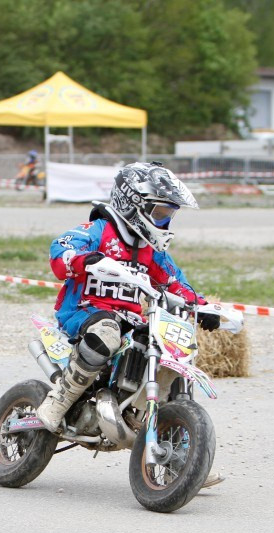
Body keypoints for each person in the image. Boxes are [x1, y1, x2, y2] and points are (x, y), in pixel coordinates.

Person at [35, 161, 219, 432]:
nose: (165, 222)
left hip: (129, 318)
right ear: (133, 205)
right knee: (107, 332)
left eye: (169, 215)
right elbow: (60, 250)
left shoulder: (151, 251)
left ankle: (162, 423)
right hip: (84, 311)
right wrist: (85, 260)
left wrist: (203, 306)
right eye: (159, 213)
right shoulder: (97, 231)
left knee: (167, 344)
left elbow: (175, 282)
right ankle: (59, 399)